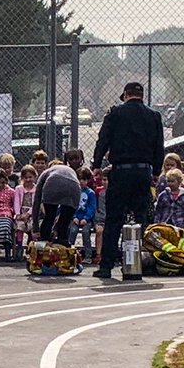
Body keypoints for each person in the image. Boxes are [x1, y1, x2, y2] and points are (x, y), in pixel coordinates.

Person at [90, 81, 164, 278]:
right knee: (140, 219)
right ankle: (136, 264)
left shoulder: (115, 113)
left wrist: (96, 164)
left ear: (125, 94)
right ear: (142, 96)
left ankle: (106, 266)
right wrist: (156, 172)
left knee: (114, 219)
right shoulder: (154, 116)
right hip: (143, 171)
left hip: (121, 171)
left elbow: (103, 140)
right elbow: (159, 146)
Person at [32, 160, 82, 246]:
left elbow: (37, 201)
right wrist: (58, 226)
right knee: (65, 219)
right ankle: (62, 240)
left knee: (49, 216)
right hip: (74, 186)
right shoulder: (70, 171)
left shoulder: (45, 173)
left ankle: (44, 239)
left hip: (52, 183)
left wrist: (36, 228)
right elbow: (75, 206)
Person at [69, 167, 98, 262]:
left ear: (88, 180)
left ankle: (88, 256)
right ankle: (69, 254)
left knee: (86, 232)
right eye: (79, 179)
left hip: (87, 219)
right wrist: (74, 217)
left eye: (84, 179)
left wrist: (86, 218)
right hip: (75, 218)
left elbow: (92, 207)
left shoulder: (90, 193)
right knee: (73, 231)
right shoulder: (73, 192)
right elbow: (71, 205)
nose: (81, 182)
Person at [14, 165, 39, 257]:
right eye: (26, 177)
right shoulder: (19, 189)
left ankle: (31, 247)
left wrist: (28, 214)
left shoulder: (37, 189)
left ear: (34, 177)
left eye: (30, 177)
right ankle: (19, 246)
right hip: (21, 213)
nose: (28, 179)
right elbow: (16, 202)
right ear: (22, 178)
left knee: (33, 226)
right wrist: (18, 214)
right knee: (19, 226)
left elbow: (36, 204)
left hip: (32, 214)